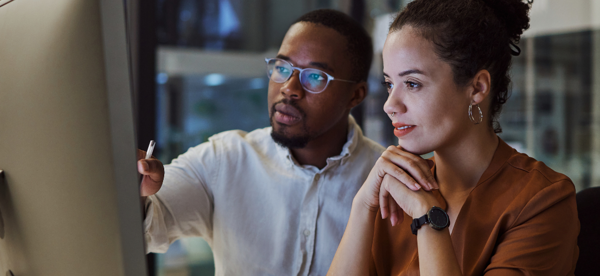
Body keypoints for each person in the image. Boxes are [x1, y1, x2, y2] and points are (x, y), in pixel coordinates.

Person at [328, 0, 579, 275]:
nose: (390, 104)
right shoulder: (393, 190)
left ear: (477, 88)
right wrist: (363, 205)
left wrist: (429, 217)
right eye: (390, 84)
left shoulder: (542, 200)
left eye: (412, 84)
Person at [137, 9, 385, 276]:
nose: (289, 88)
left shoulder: (385, 181)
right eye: (282, 67)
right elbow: (148, 229)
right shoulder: (225, 159)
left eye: (314, 76)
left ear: (356, 95)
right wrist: (139, 191)